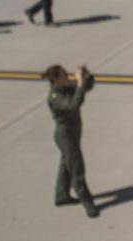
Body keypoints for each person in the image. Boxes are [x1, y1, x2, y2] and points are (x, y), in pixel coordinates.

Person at [42, 64, 100, 218]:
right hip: (65, 135)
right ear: (55, 79)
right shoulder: (55, 96)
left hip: (73, 133)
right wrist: (80, 84)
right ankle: (88, 204)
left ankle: (61, 196)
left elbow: (86, 88)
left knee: (65, 164)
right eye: (63, 74)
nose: (67, 76)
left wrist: (86, 77)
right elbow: (74, 104)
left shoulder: (65, 87)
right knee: (76, 169)